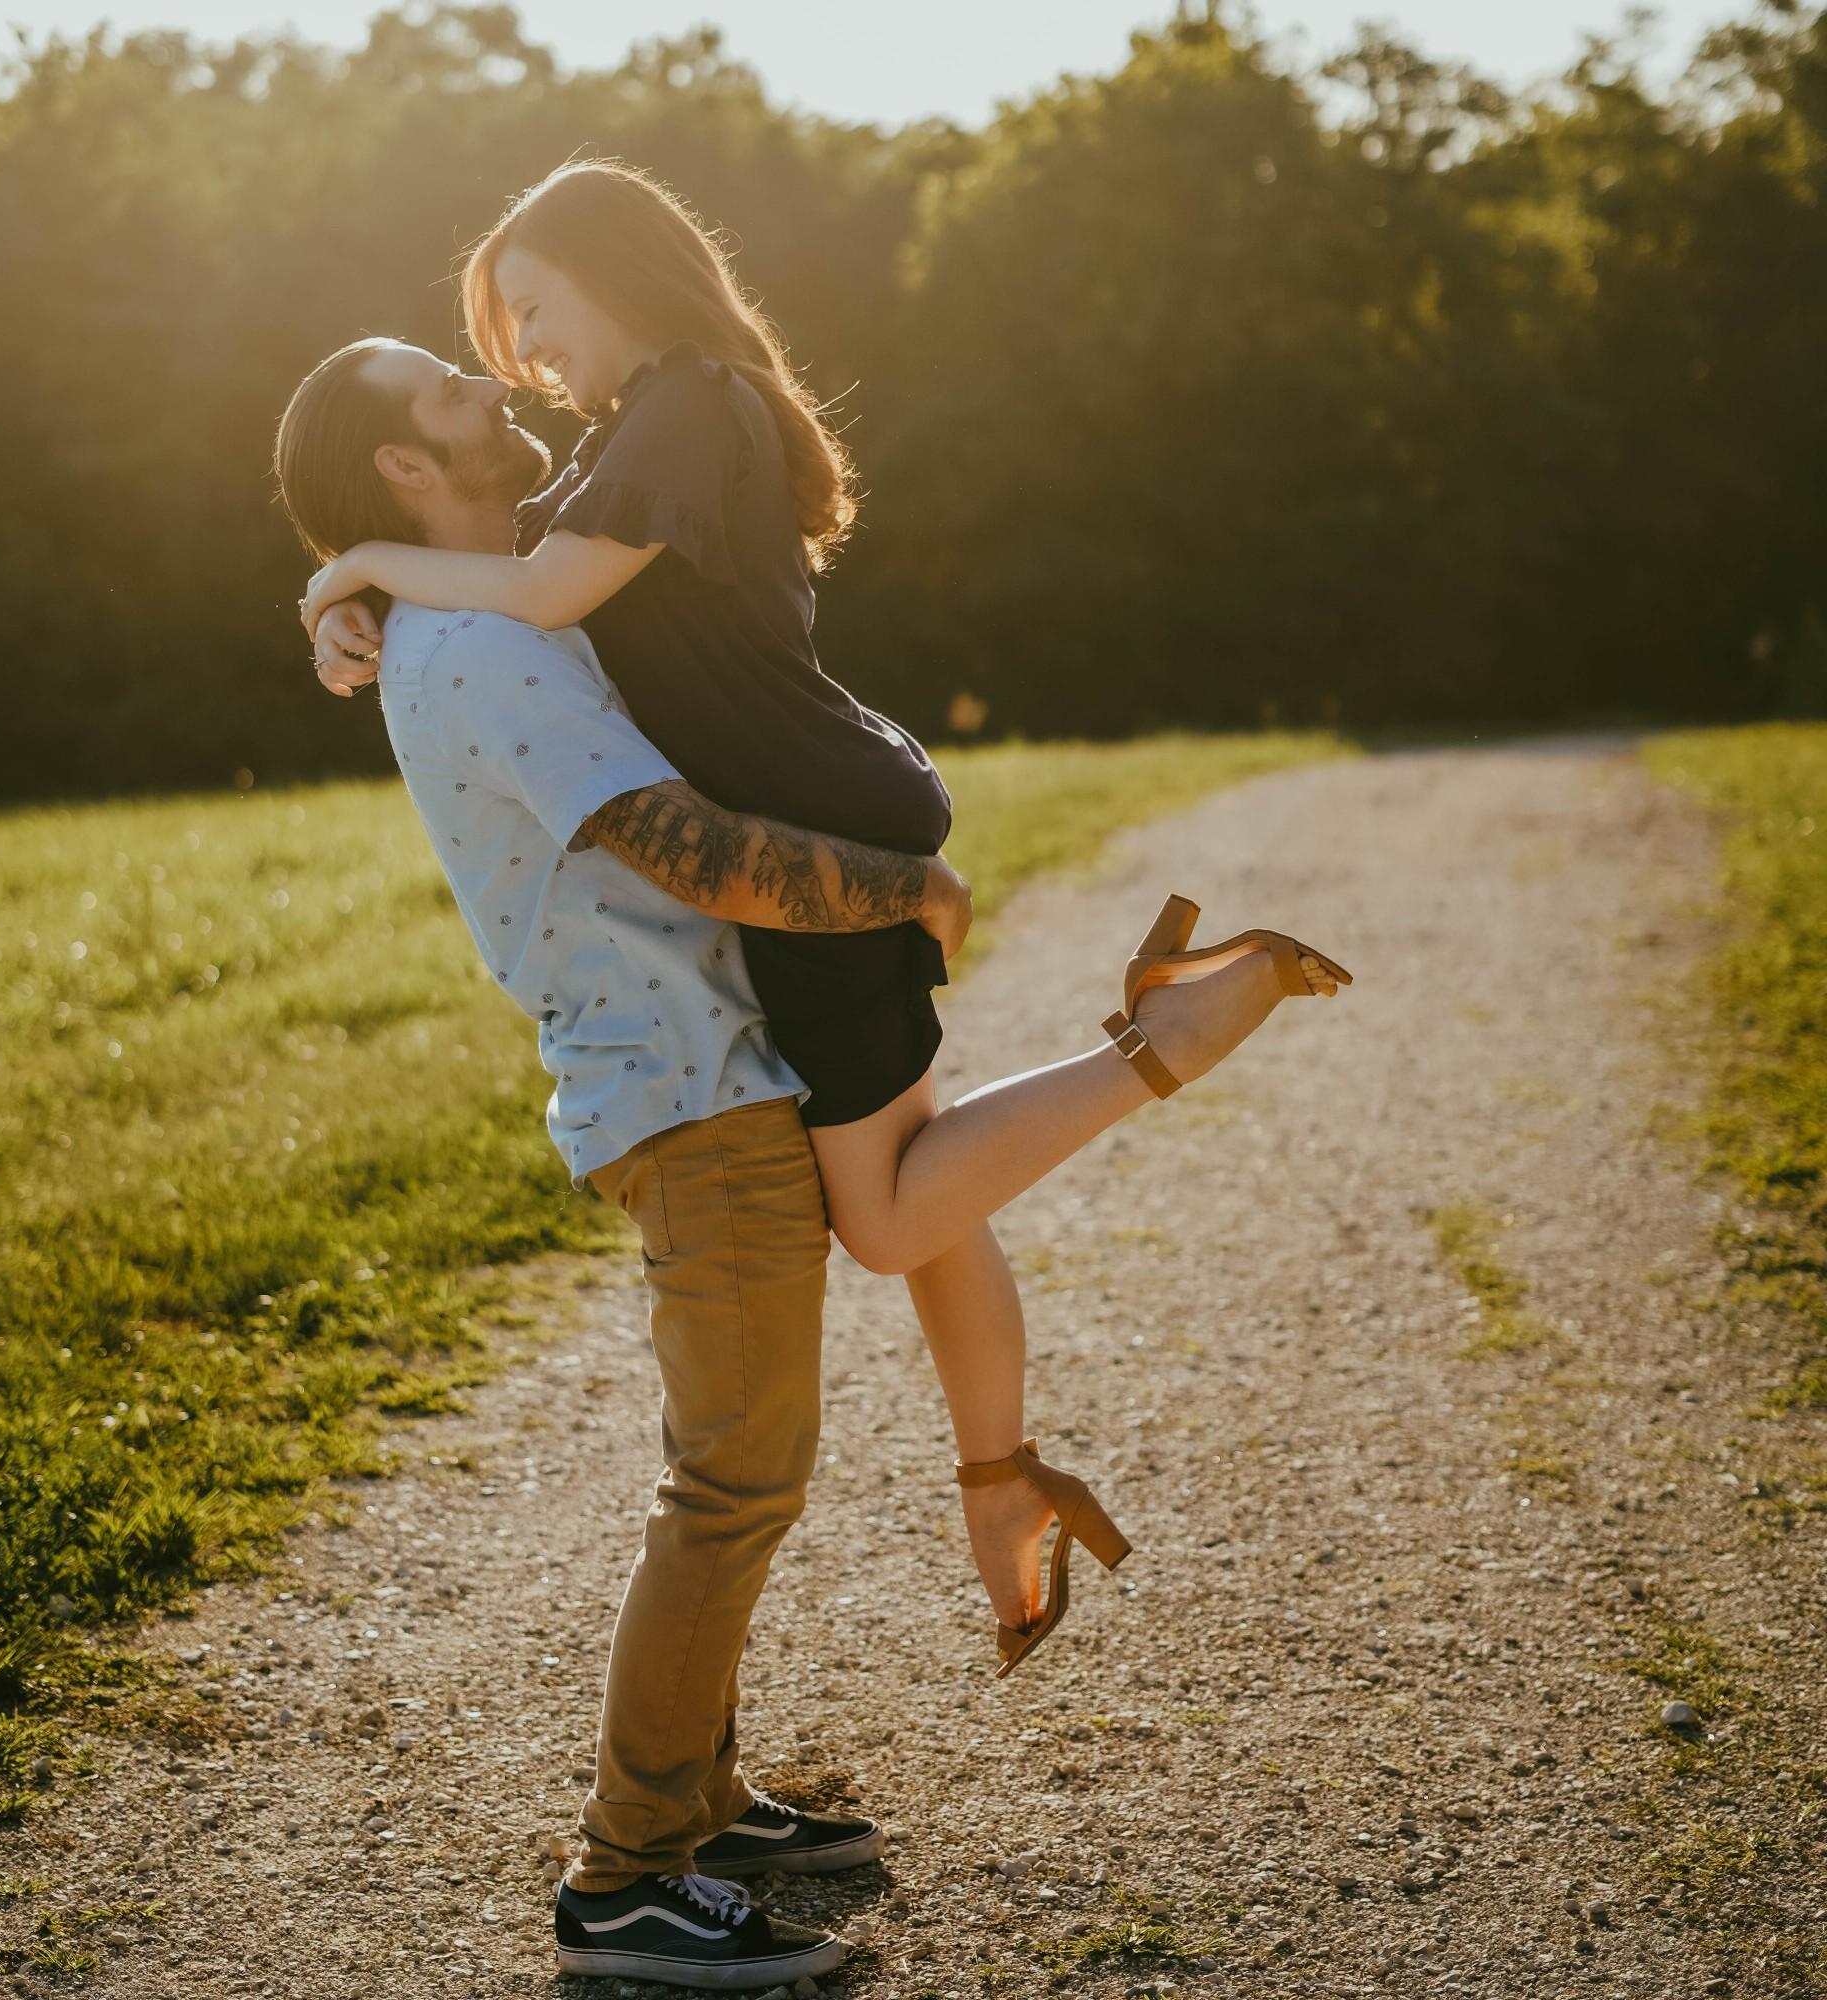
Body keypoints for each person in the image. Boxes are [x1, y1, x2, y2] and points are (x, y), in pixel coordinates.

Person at [275, 331, 1339, 1985]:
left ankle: (696, 1800)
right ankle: (625, 1878)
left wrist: (336, 575)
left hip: (715, 1069)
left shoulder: (499, 598)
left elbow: (592, 561)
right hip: (684, 1099)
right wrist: (901, 886)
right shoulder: (473, 656)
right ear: (407, 468)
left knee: (742, 1471)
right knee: (733, 1484)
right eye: (445, 390)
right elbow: (691, 854)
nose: (490, 387)